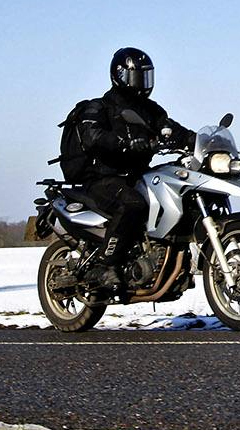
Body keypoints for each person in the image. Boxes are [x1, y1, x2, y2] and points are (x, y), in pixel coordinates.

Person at [58, 47, 194, 292]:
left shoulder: (152, 110)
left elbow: (172, 129)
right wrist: (122, 143)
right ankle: (106, 265)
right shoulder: (99, 107)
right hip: (102, 178)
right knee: (133, 204)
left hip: (136, 177)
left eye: (146, 76)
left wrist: (200, 142)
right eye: (136, 76)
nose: (141, 82)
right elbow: (92, 136)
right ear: (119, 75)